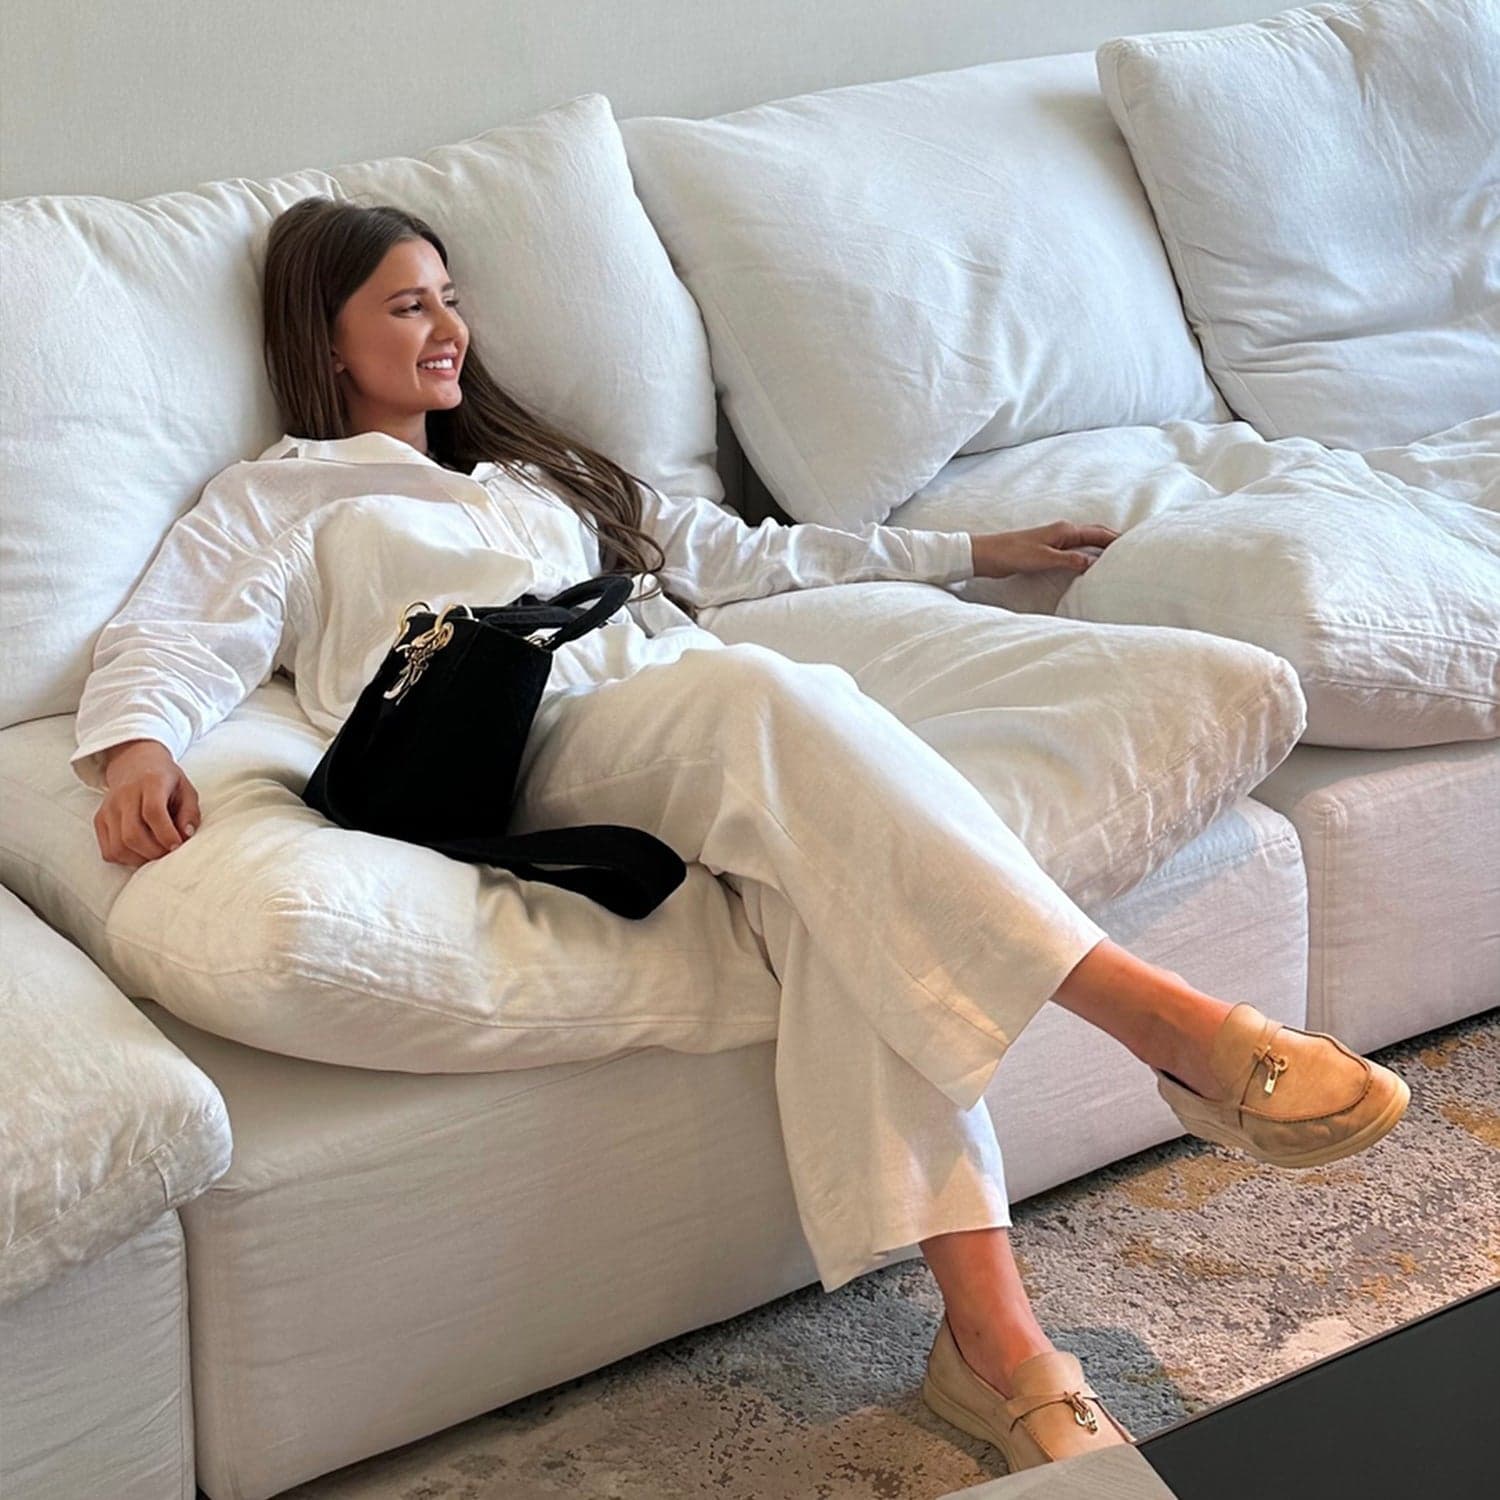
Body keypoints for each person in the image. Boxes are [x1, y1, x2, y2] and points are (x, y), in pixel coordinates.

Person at [73, 196, 1410, 1473]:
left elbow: (746, 553)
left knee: (829, 882)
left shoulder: (535, 474)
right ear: (326, 340)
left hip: (668, 709)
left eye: (451, 298)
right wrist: (138, 747)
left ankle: (999, 1351)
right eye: (406, 305)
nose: (448, 330)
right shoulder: (285, 495)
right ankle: (1158, 1020)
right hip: (521, 754)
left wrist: (972, 550)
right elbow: (174, 631)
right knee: (761, 696)